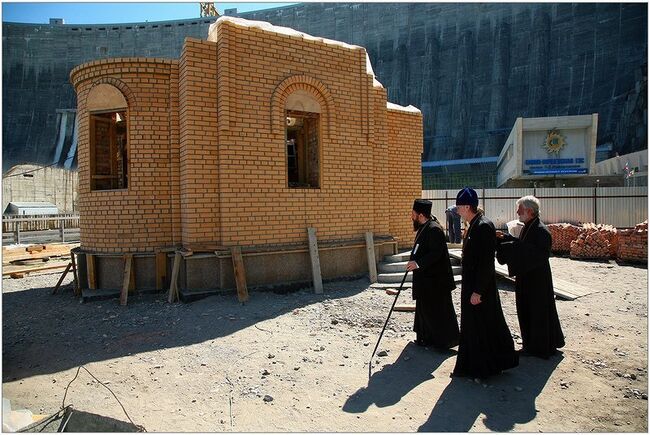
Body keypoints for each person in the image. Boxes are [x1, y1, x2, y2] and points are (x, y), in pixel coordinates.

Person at [451, 187, 519, 378]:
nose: (457, 210)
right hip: (472, 284)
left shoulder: (483, 226)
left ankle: (490, 365)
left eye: (458, 207)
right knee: (474, 326)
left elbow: (486, 263)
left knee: (487, 325)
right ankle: (472, 365)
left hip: (480, 288)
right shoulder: (473, 224)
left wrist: (478, 291)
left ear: (466, 206)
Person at [495, 195, 565, 358]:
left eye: (519, 210)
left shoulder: (540, 230)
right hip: (529, 277)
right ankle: (534, 343)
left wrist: (511, 246)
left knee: (536, 313)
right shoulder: (530, 225)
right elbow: (524, 245)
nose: (517, 213)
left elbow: (534, 253)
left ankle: (538, 347)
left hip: (536, 280)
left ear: (529, 211)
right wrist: (506, 239)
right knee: (530, 311)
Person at [405, 199, 460, 349]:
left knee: (437, 312)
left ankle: (442, 342)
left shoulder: (434, 229)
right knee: (425, 310)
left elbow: (436, 254)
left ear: (421, 215)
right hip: (426, 280)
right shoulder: (424, 227)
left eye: (413, 214)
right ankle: (425, 338)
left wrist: (417, 263)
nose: (412, 217)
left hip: (436, 281)